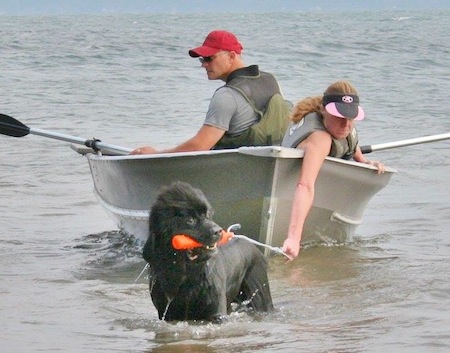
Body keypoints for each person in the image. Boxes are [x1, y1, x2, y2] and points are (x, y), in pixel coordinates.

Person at [130, 30, 290, 155]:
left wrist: (157, 153)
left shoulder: (226, 95)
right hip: (269, 162)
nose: (203, 65)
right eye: (202, 59)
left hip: (237, 169)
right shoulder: (270, 80)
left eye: (209, 58)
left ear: (231, 56)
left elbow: (199, 146)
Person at [281, 80, 385, 259]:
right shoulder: (320, 138)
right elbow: (305, 185)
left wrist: (367, 163)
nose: (345, 124)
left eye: (350, 118)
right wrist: (293, 239)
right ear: (323, 110)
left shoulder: (345, 130)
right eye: (339, 116)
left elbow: (353, 149)